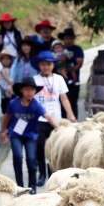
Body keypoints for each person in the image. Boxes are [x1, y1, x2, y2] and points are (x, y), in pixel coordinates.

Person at [0, 77, 57, 194]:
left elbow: (48, 116)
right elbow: (6, 118)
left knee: (31, 160)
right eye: (26, 90)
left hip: (31, 136)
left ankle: (32, 187)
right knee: (17, 156)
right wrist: (3, 131)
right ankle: (19, 186)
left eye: (32, 90)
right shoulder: (13, 104)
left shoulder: (36, 105)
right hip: (15, 135)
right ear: (21, 90)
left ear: (35, 91)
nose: (29, 92)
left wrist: (59, 127)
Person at [34, 50, 76, 185]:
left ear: (53, 65)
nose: (46, 67)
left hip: (57, 120)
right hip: (40, 119)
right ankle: (41, 173)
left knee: (55, 147)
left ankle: (53, 173)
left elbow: (64, 98)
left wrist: (70, 114)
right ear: (39, 65)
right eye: (43, 64)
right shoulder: (35, 80)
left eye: (49, 64)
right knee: (40, 146)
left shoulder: (59, 79)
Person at [59, 27, 84, 119]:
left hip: (74, 81)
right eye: (66, 38)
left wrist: (71, 68)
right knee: (62, 103)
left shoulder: (77, 49)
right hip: (61, 81)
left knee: (73, 102)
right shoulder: (60, 49)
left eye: (70, 38)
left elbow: (79, 63)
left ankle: (74, 121)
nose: (68, 40)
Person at [0, 49, 15, 113]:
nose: (6, 61)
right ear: (1, 60)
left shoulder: (13, 69)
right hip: (2, 94)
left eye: (8, 59)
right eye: (4, 59)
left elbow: (13, 81)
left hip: (12, 93)